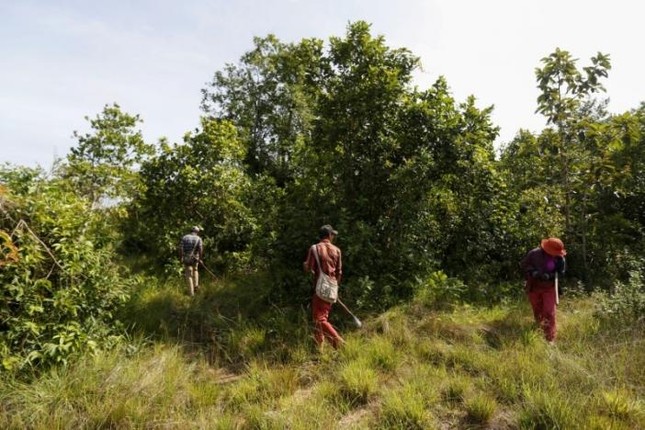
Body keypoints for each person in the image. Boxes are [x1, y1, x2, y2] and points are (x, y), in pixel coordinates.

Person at [304, 224, 345, 350]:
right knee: (320, 317)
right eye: (332, 234)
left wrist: (305, 264)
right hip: (332, 287)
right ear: (329, 235)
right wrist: (334, 288)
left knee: (319, 319)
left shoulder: (315, 248)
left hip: (320, 288)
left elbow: (308, 268)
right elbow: (339, 272)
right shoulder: (337, 250)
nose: (333, 237)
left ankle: (339, 343)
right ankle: (319, 348)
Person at [520, 237, 566, 344]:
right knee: (538, 310)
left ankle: (550, 338)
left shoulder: (560, 259)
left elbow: (561, 273)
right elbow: (524, 265)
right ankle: (539, 330)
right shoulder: (533, 254)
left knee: (549, 312)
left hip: (549, 288)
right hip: (534, 286)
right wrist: (533, 272)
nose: (555, 254)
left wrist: (549, 276)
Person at [179, 226, 203, 296]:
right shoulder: (199, 238)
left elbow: (180, 248)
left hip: (187, 258)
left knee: (189, 274)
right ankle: (196, 286)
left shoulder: (184, 237)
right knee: (195, 270)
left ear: (191, 231)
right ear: (197, 232)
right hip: (195, 258)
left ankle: (191, 293)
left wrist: (181, 258)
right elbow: (201, 249)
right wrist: (201, 259)